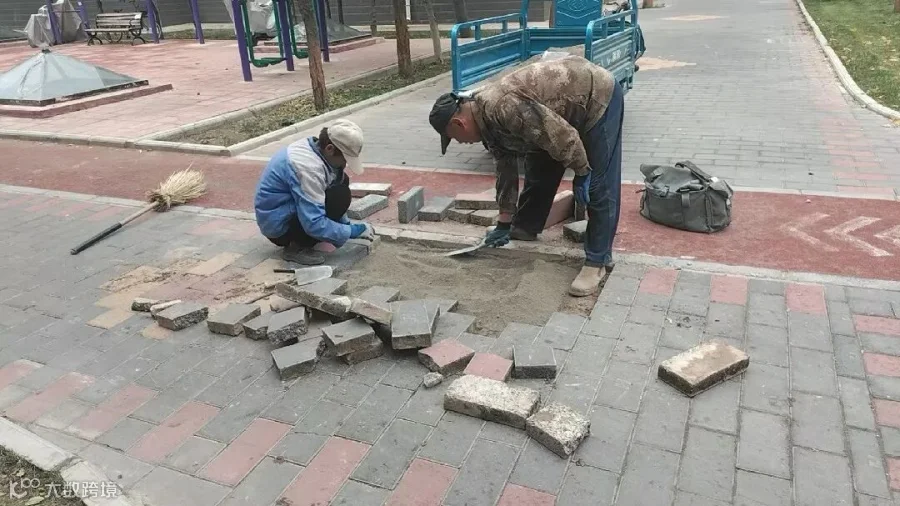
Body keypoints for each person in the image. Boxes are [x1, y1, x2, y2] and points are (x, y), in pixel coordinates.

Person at [429, 54, 624, 297]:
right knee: (539, 169)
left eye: (454, 138)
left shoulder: (503, 106)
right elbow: (505, 169)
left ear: (459, 124)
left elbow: (562, 136)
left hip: (595, 97)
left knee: (598, 183)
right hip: (554, 115)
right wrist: (504, 222)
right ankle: (525, 226)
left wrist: (582, 172)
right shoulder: (485, 121)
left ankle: (597, 261)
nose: (460, 142)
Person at [254, 119, 375, 265]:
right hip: (279, 228)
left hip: (286, 209)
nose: (345, 164)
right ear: (329, 149)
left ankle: (314, 236)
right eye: (345, 159)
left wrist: (345, 224)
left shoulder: (314, 147)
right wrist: (351, 231)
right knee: (338, 197)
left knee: (341, 182)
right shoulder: (307, 168)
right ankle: (296, 246)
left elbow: (332, 181)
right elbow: (314, 223)